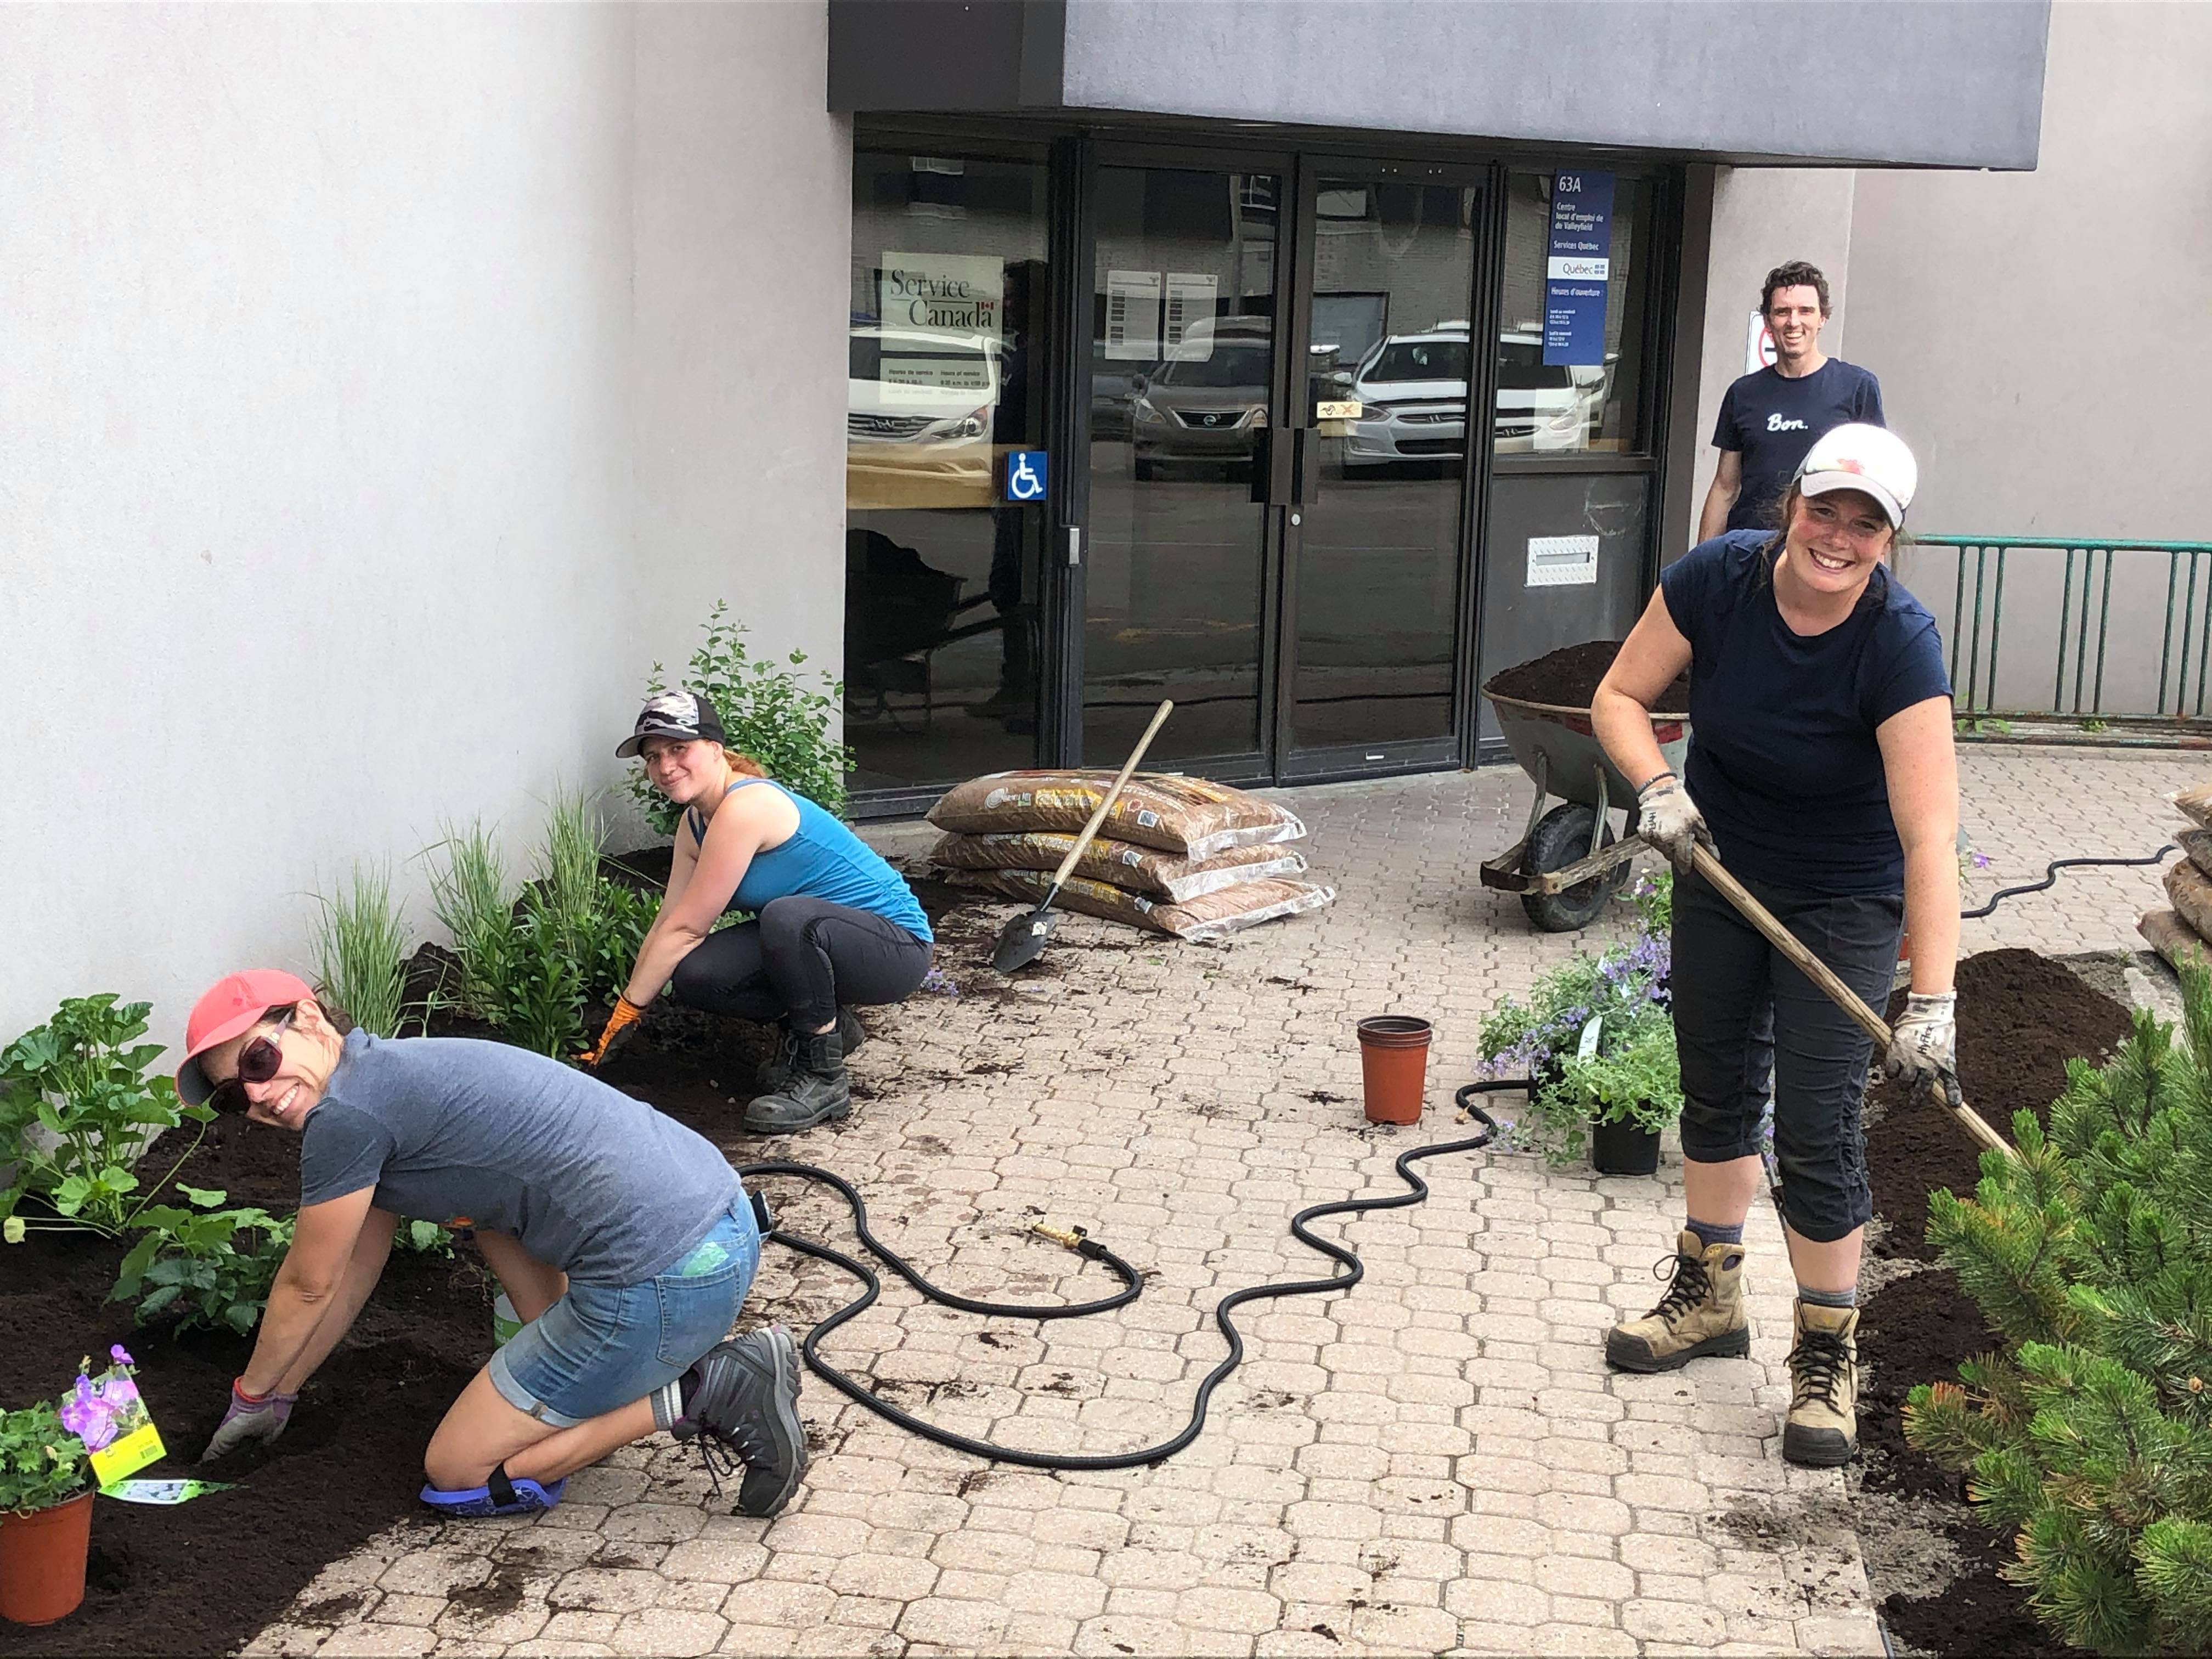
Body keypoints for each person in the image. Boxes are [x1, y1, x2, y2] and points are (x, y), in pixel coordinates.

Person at [1592, 423, 1960, 1468]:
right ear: (1791, 502)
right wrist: (1655, 789)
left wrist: (1932, 1001)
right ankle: (1709, 1295)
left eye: (1865, 523)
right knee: (1712, 1081)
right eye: (1824, 508)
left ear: (1888, 539)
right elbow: (1619, 696)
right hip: (1719, 864)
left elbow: (1929, 837)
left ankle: (1825, 1347)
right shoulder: (1718, 579)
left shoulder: (1897, 641)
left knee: (1815, 1123)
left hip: (1845, 894)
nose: (1837, 536)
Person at [176, 970, 806, 1518]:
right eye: (233, 1096)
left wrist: (250, 1396)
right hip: (720, 1229)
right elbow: (350, 1272)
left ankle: (706, 1390)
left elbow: (308, 1286)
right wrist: (282, 1394)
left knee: (458, 1472)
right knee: (484, 1212)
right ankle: (587, 1386)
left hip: (663, 1281)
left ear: (309, 1018)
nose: (255, 1094)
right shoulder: (384, 1077)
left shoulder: (345, 1118)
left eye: (257, 1061)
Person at [584, 690, 934, 1133]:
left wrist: (631, 1010)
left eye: (678, 749)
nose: (665, 766)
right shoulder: (695, 824)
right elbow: (670, 923)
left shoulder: (746, 807)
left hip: (895, 948)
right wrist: (623, 1013)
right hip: (820, 945)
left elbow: (690, 927)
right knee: (698, 974)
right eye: (653, 757)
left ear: (715, 748)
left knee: (787, 918)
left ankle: (823, 1076)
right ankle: (829, 1031)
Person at [1699, 261, 1885, 540]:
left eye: (1805, 311)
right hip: (1748, 550)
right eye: (1782, 312)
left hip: (1820, 548)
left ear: (1822, 318)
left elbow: (1875, 482)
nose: (1793, 322)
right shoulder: (1743, 393)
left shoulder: (1857, 387)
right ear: (1768, 321)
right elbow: (1725, 488)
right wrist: (1703, 559)